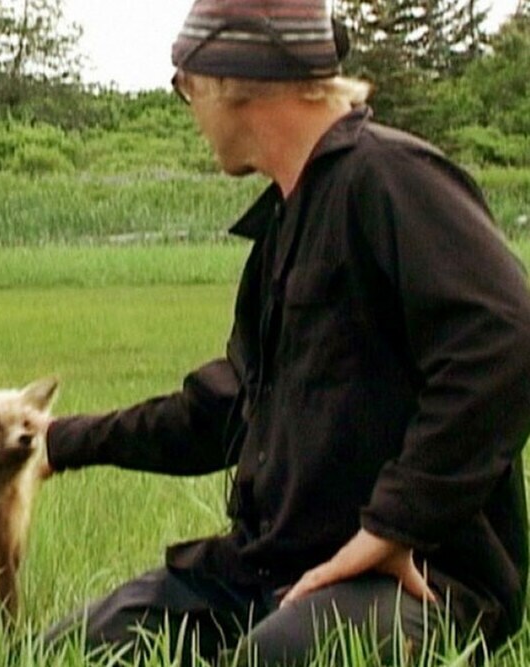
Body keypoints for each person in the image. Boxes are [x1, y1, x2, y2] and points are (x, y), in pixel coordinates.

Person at [39, 0, 530, 663]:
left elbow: (506, 339)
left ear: (228, 81)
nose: (190, 110)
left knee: (273, 658)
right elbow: (227, 408)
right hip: (271, 571)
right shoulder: (284, 226)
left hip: (416, 580)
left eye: (186, 85)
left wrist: (397, 524)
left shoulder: (389, 178)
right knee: (69, 650)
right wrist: (54, 442)